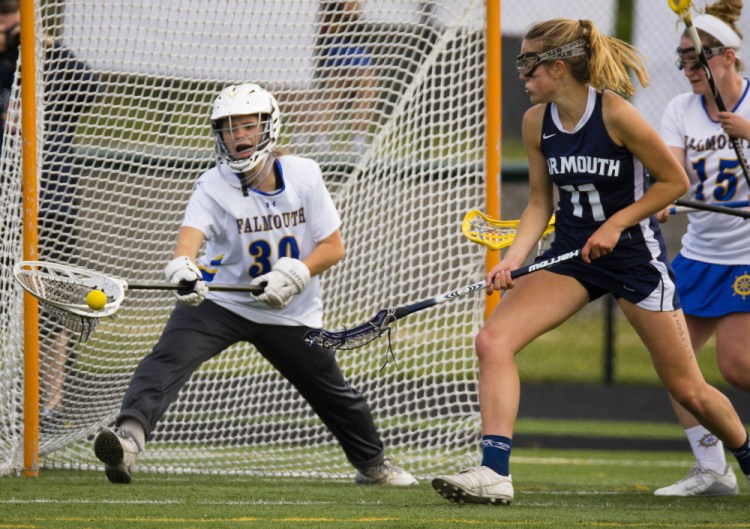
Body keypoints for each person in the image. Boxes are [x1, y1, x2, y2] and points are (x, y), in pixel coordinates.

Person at [431, 18, 750, 506]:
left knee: (688, 390)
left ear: (558, 67)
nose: (521, 73)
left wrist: (616, 223)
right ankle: (494, 471)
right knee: (493, 340)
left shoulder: (618, 115)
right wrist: (510, 260)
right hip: (571, 258)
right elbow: (540, 204)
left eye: (527, 63)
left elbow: (673, 184)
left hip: (634, 262)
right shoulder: (536, 122)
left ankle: (744, 454)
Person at [92, 83, 417, 487]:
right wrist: (183, 270)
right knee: (166, 359)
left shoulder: (304, 174)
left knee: (333, 392)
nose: (239, 137)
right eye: (229, 129)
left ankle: (373, 466)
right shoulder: (212, 184)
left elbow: (333, 247)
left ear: (268, 127)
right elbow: (188, 244)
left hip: (290, 310)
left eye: (248, 126)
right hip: (223, 304)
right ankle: (127, 441)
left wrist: (297, 273)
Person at [653, 0, 750, 497]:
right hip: (697, 255)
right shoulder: (679, 109)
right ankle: (713, 468)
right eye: (683, 60)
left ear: (728, 57)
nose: (689, 70)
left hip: (746, 257)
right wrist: (665, 196)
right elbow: (676, 174)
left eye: (699, 59)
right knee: (677, 366)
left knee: (737, 366)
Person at [0, 0, 100, 423]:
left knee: (52, 307)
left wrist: (47, 46)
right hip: (4, 205)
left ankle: (49, 406)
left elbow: (90, 87)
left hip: (51, 204)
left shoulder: (54, 65)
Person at [302, 0, 376, 154]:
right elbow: (352, 11)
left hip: (342, 40)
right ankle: (357, 140)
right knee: (364, 86)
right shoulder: (340, 11)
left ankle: (320, 138)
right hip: (341, 40)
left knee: (336, 91)